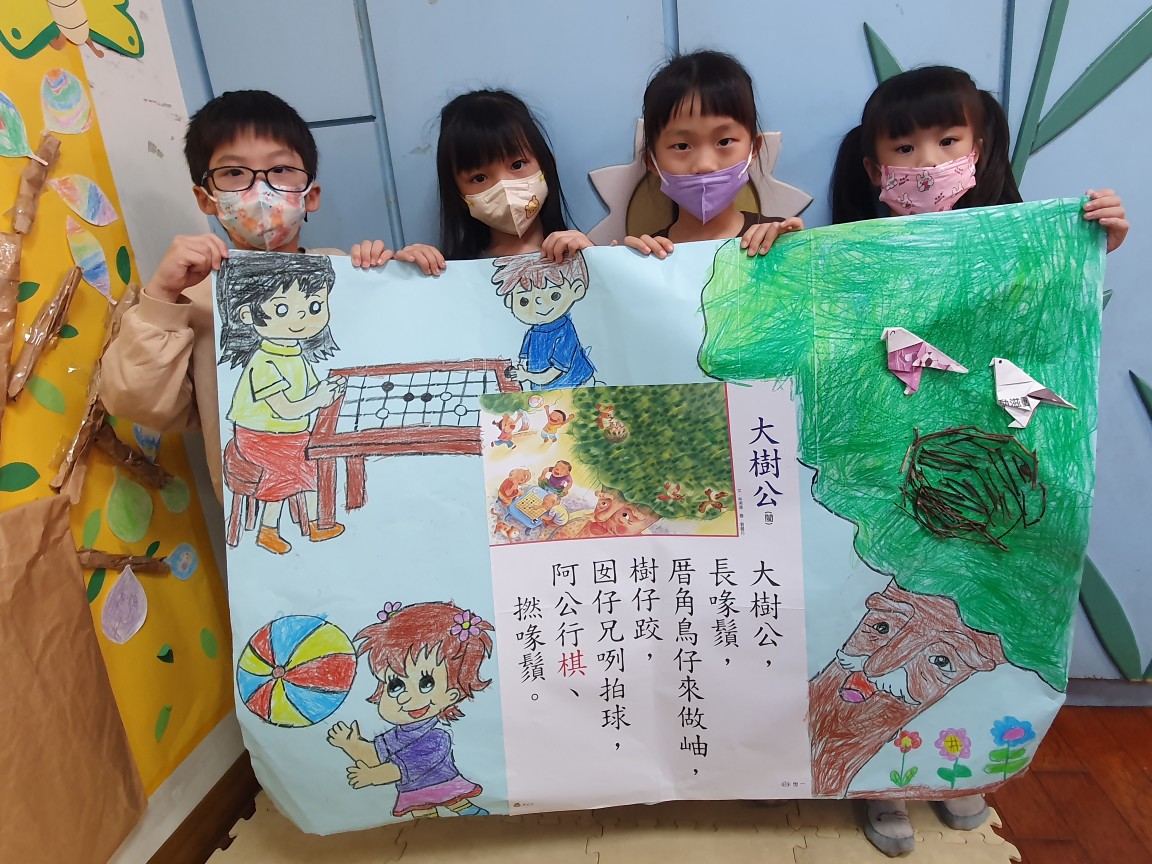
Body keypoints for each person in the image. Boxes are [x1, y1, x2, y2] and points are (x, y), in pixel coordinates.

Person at [829, 65, 1127, 857]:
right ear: (875, 168)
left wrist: (1095, 243)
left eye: (946, 140)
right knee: (888, 615)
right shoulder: (857, 252)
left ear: (980, 146)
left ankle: (957, 773)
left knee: (970, 629)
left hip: (997, 468)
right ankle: (887, 782)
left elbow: (1056, 323)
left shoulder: (1019, 243)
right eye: (904, 147)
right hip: (899, 467)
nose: (927, 162)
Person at [100, 90, 374, 505]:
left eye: (280, 169)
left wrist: (400, 275)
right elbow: (135, 401)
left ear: (310, 195)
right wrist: (161, 297)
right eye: (233, 173)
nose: (260, 189)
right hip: (267, 471)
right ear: (206, 198)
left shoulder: (344, 272)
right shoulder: (191, 301)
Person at [351, 89, 591, 272]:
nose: (503, 186)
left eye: (517, 165)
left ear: (548, 166)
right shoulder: (449, 272)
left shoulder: (584, 253)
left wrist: (596, 261)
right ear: (458, 193)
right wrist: (400, 275)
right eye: (479, 177)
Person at [216, 253, 346, 553]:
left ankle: (315, 523)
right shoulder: (263, 363)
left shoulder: (293, 353)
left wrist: (327, 391)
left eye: (314, 306)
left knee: (313, 465)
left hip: (292, 435)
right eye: (282, 309)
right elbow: (286, 409)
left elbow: (309, 390)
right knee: (287, 469)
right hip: (258, 437)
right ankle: (268, 530)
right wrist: (317, 399)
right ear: (247, 314)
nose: (300, 319)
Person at [622, 50, 803, 258]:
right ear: (652, 161)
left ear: (754, 148)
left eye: (724, 142)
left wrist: (798, 248)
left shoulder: (776, 240)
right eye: (682, 146)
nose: (705, 164)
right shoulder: (647, 257)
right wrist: (609, 262)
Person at [327, 601, 493, 819]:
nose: (406, 697)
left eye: (426, 683)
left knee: (462, 810)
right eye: (395, 686)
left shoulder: (437, 738)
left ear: (452, 695)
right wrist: (351, 744)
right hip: (414, 796)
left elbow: (403, 768)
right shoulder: (396, 736)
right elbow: (375, 755)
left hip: (443, 787)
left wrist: (373, 776)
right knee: (426, 823)